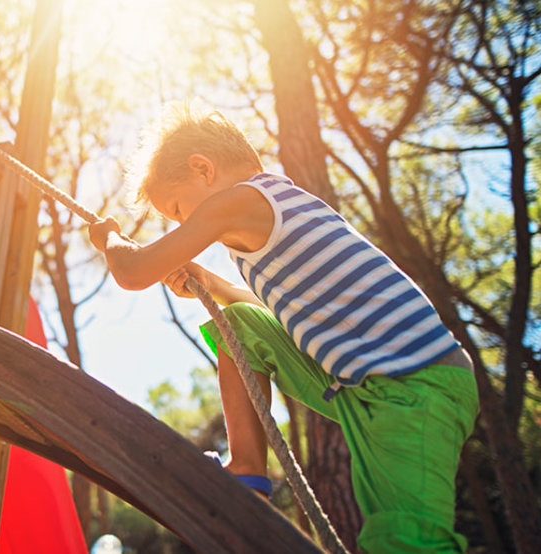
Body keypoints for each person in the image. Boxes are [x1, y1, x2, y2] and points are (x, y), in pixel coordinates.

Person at [87, 102, 479, 553]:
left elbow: (134, 272)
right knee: (241, 325)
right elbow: (275, 320)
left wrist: (111, 239)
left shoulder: (242, 200)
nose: (182, 224)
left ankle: (254, 471)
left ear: (203, 169)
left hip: (415, 381)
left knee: (407, 540)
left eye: (177, 209)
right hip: (363, 387)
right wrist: (210, 283)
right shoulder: (274, 213)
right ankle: (248, 471)